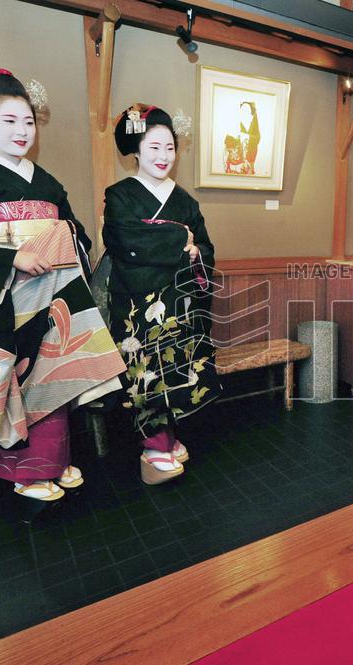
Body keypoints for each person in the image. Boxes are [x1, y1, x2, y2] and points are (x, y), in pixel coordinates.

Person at [0, 68, 125, 502]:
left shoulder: (45, 180)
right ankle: (27, 473)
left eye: (28, 122)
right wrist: (11, 255)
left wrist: (61, 239)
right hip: (3, 296)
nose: (22, 131)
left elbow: (75, 232)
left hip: (49, 292)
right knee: (16, 377)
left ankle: (53, 463)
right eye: (9, 121)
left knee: (52, 378)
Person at [103, 104, 220, 485]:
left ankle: (168, 438)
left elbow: (205, 246)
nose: (163, 156)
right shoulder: (119, 195)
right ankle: (154, 444)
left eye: (169, 147)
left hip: (180, 303)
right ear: (136, 150)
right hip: (139, 304)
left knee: (178, 367)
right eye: (153, 147)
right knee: (146, 372)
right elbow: (122, 239)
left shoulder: (185, 200)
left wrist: (194, 249)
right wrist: (178, 239)